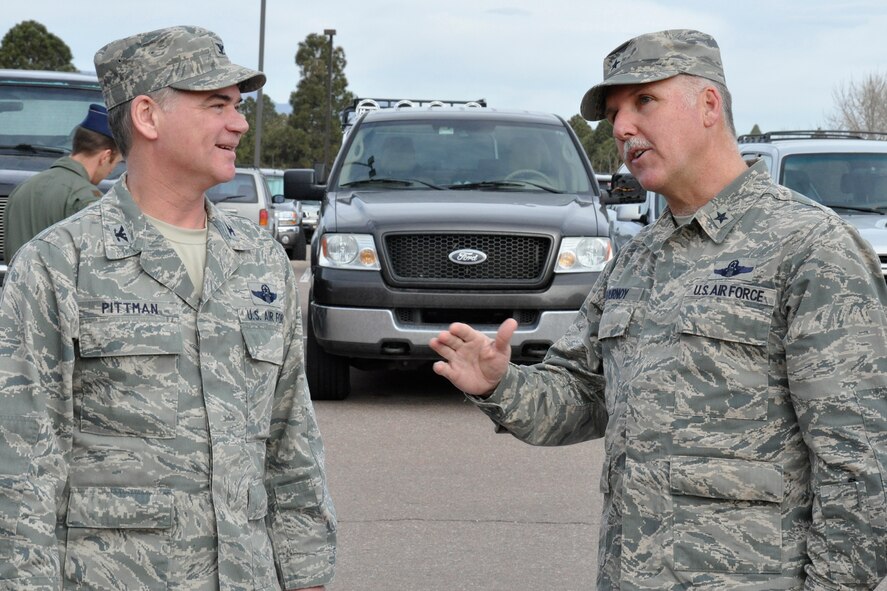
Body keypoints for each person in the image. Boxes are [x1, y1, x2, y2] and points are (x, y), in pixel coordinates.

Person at [430, 29, 887, 590]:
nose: (622, 128)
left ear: (709, 106)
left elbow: (859, 467)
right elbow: (579, 394)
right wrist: (500, 385)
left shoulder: (812, 249)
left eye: (645, 101)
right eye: (617, 112)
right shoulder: (637, 259)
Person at [0, 26, 335, 590]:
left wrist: (307, 574)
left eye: (238, 106)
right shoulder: (60, 264)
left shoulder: (261, 262)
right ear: (149, 117)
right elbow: (21, 461)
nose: (240, 123)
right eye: (216, 105)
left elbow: (290, 438)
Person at [3, 103, 121, 261]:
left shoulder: (24, 188)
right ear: (105, 156)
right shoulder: (85, 197)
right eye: (114, 163)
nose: (111, 170)